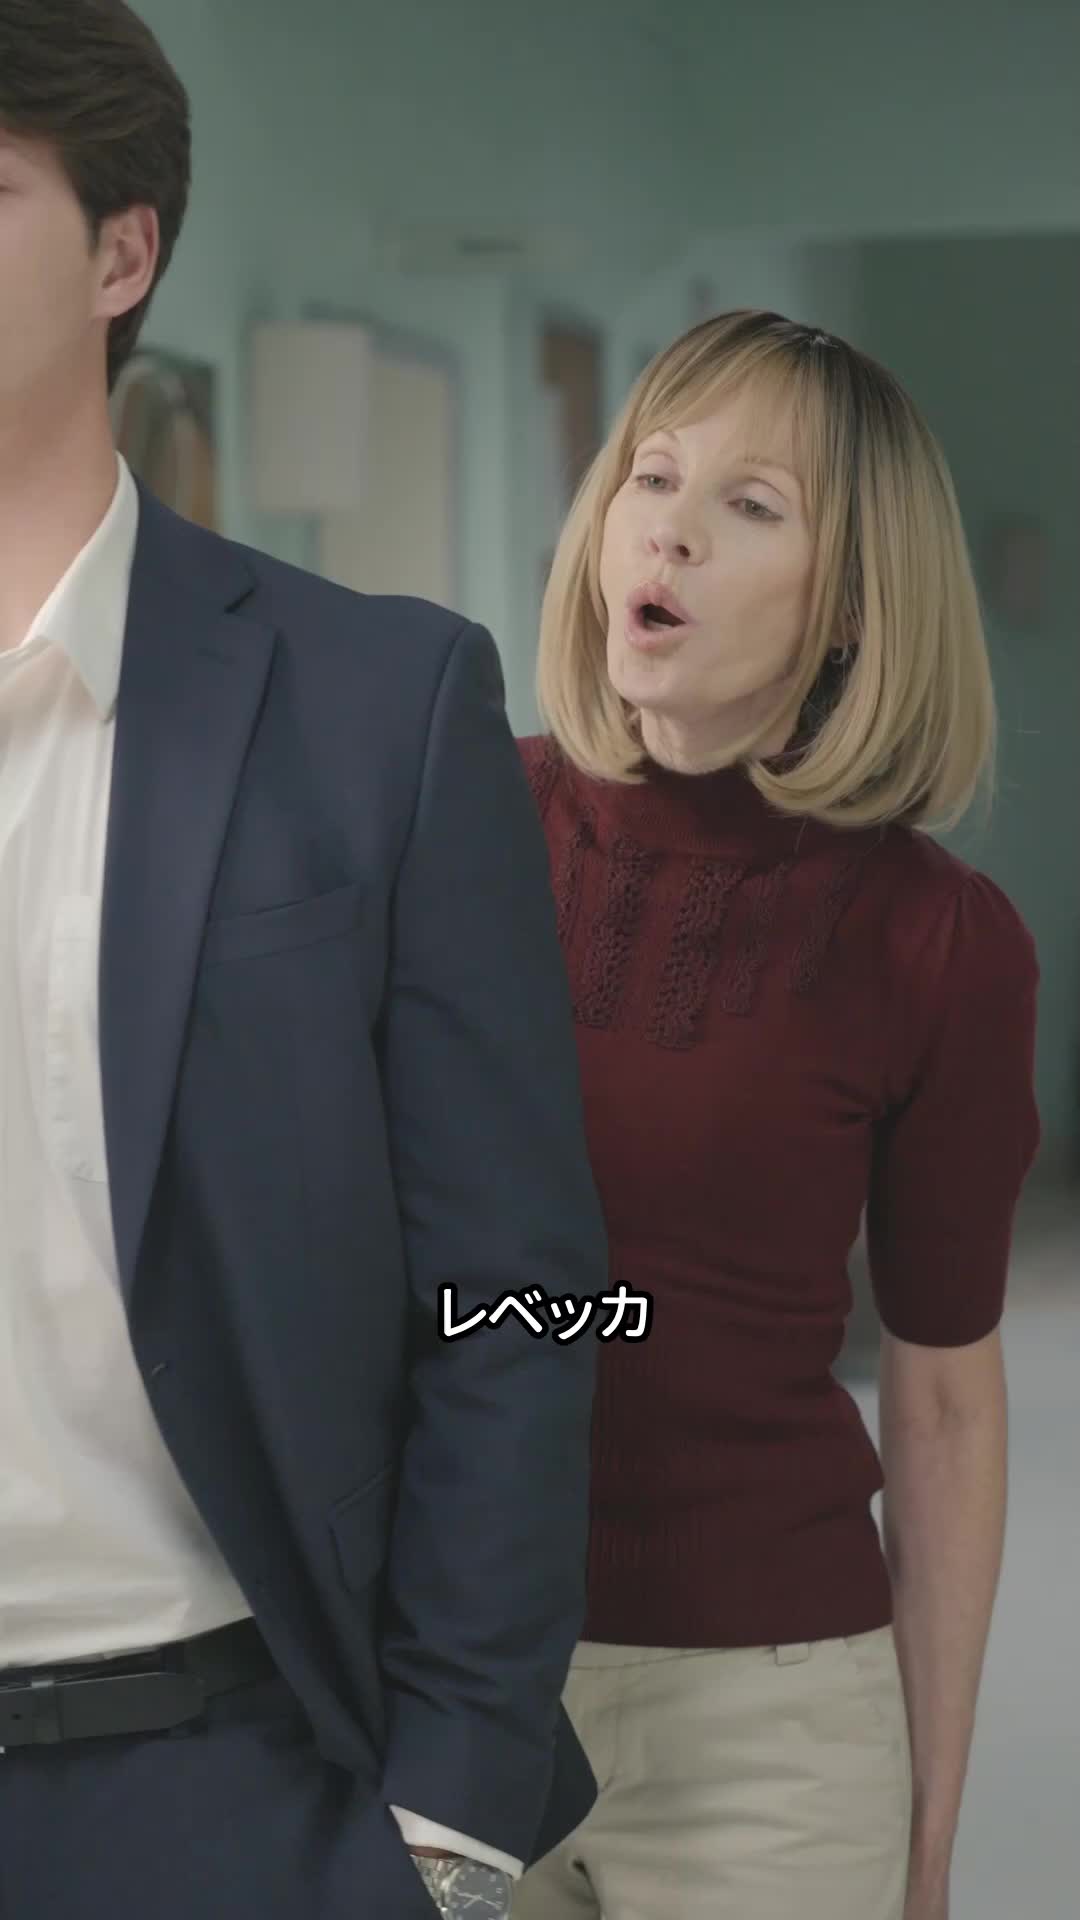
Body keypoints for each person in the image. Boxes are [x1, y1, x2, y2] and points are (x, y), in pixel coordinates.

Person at [0, 4, 608, 1917]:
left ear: (122, 252)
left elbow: (528, 1293)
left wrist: (455, 1814)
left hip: (232, 1788)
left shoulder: (375, 707)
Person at [511, 309, 1041, 1920]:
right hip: (451, 1679)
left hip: (772, 1723)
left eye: (752, 505)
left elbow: (945, 1405)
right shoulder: (452, 823)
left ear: (851, 605)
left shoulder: (936, 941)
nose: (667, 528)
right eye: (652, 475)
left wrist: (928, 1834)